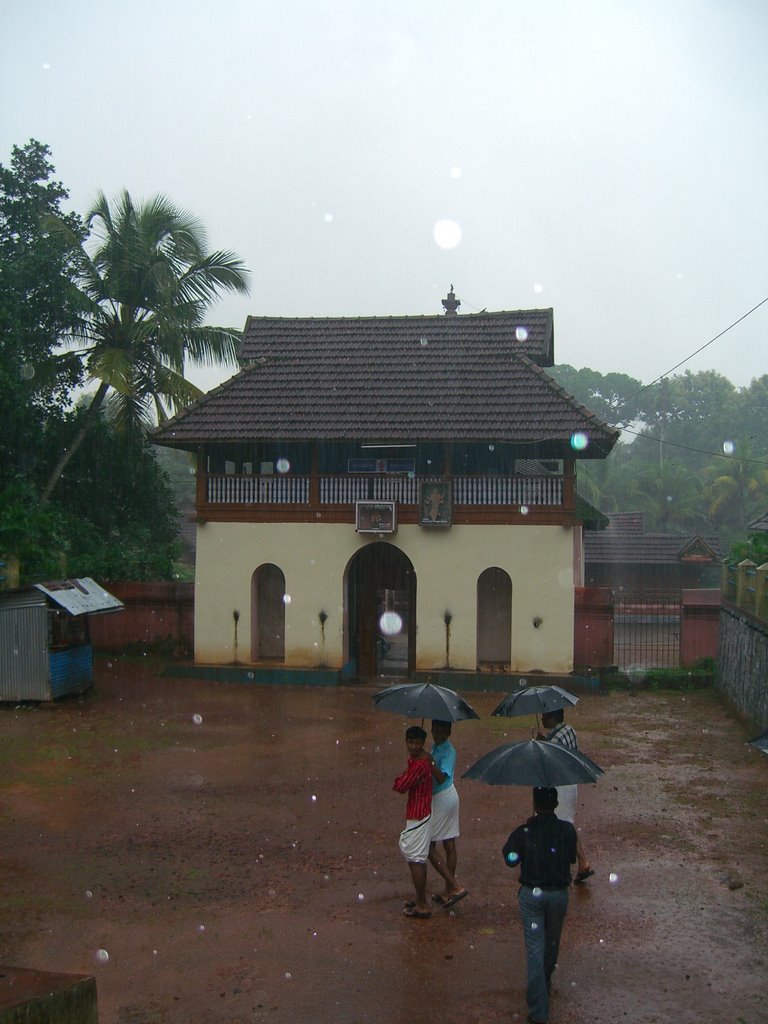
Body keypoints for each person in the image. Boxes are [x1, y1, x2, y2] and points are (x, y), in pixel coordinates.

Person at [502, 787, 578, 1024]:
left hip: (532, 896)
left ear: (534, 804)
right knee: (551, 946)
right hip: (558, 896)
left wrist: (525, 839)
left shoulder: (524, 832)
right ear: (556, 804)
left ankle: (539, 1012)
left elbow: (510, 859)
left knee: (535, 949)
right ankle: (543, 985)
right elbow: (570, 859)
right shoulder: (567, 830)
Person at [537, 708, 594, 884]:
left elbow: (549, 761)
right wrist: (545, 742)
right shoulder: (568, 730)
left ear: (554, 717)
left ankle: (569, 863)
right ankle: (581, 862)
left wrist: (541, 746)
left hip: (560, 786)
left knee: (561, 825)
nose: (542, 718)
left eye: (545, 716)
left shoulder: (554, 740)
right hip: (570, 783)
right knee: (566, 822)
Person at [392, 725, 433, 918]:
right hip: (421, 812)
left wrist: (401, 779)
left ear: (422, 743)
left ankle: (423, 903)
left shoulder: (419, 765)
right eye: (411, 742)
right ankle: (420, 898)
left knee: (415, 858)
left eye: (417, 743)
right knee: (417, 857)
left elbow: (401, 786)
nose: (414, 746)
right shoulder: (421, 761)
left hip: (418, 814)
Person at [427, 720, 469, 908]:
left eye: (442, 729)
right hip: (443, 797)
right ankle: (448, 889)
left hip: (443, 797)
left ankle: (453, 885)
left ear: (449, 731)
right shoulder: (436, 747)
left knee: (430, 847)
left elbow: (442, 776)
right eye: (435, 728)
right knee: (448, 843)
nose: (438, 732)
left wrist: (429, 761)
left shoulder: (448, 751)